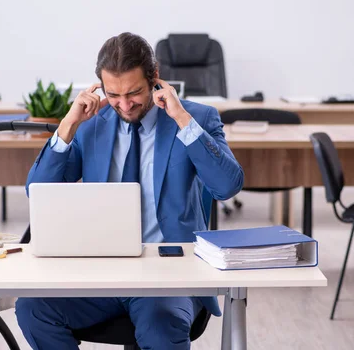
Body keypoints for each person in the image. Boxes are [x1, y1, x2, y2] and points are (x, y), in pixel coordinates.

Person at [15, 32, 244, 349]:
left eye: (134, 92)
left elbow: (227, 186)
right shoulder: (92, 123)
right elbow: (36, 190)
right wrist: (68, 124)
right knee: (32, 308)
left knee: (159, 323)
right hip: (101, 271)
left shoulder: (196, 117)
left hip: (169, 273)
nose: (124, 104)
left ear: (154, 77)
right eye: (113, 94)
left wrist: (181, 119)